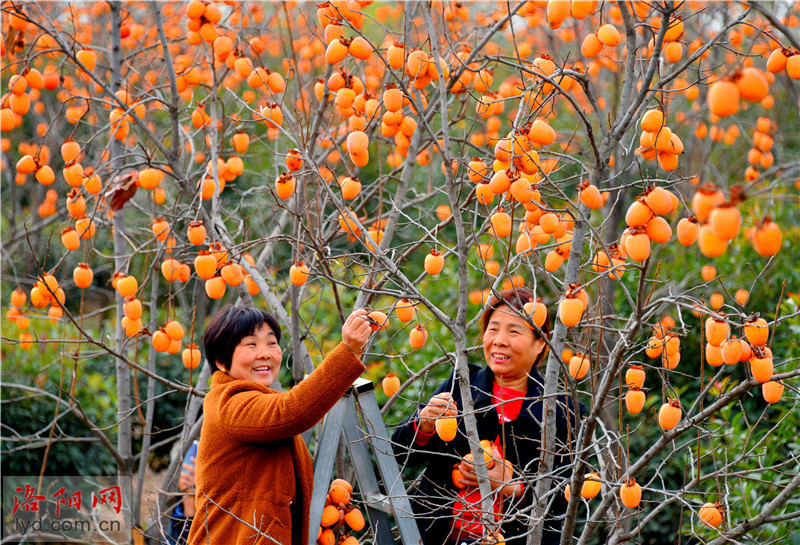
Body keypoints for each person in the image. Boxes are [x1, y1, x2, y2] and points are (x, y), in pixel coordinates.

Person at [391, 288, 583, 544]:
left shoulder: (561, 410)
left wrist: (514, 486)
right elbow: (401, 455)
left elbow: (570, 497)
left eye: (514, 331)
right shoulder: (463, 384)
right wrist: (424, 423)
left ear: (540, 343)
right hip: (436, 536)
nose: (499, 340)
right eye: (493, 329)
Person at [187, 305, 372, 545]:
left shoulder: (253, 403)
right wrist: (348, 351)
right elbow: (292, 411)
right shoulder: (230, 402)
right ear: (222, 360)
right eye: (251, 344)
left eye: (271, 343)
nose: (265, 353)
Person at [166, 440, 197, 545]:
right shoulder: (163, 517)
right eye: (184, 467)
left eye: (194, 467)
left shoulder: (215, 515)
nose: (188, 475)